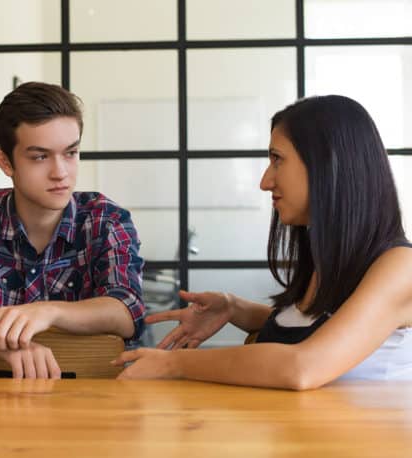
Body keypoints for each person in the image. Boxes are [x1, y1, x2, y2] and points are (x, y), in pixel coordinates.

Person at [114, 95, 412, 389]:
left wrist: (173, 363)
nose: (265, 181)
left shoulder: (400, 267)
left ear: (326, 164)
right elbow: (312, 327)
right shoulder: (326, 261)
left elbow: (302, 366)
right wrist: (234, 309)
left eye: (277, 160)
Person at [0, 82, 145, 379]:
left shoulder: (107, 220)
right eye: (40, 156)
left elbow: (128, 310)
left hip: (91, 408)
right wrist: (7, 342)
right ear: (5, 162)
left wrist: (48, 312)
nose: (60, 172)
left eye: (71, 152)